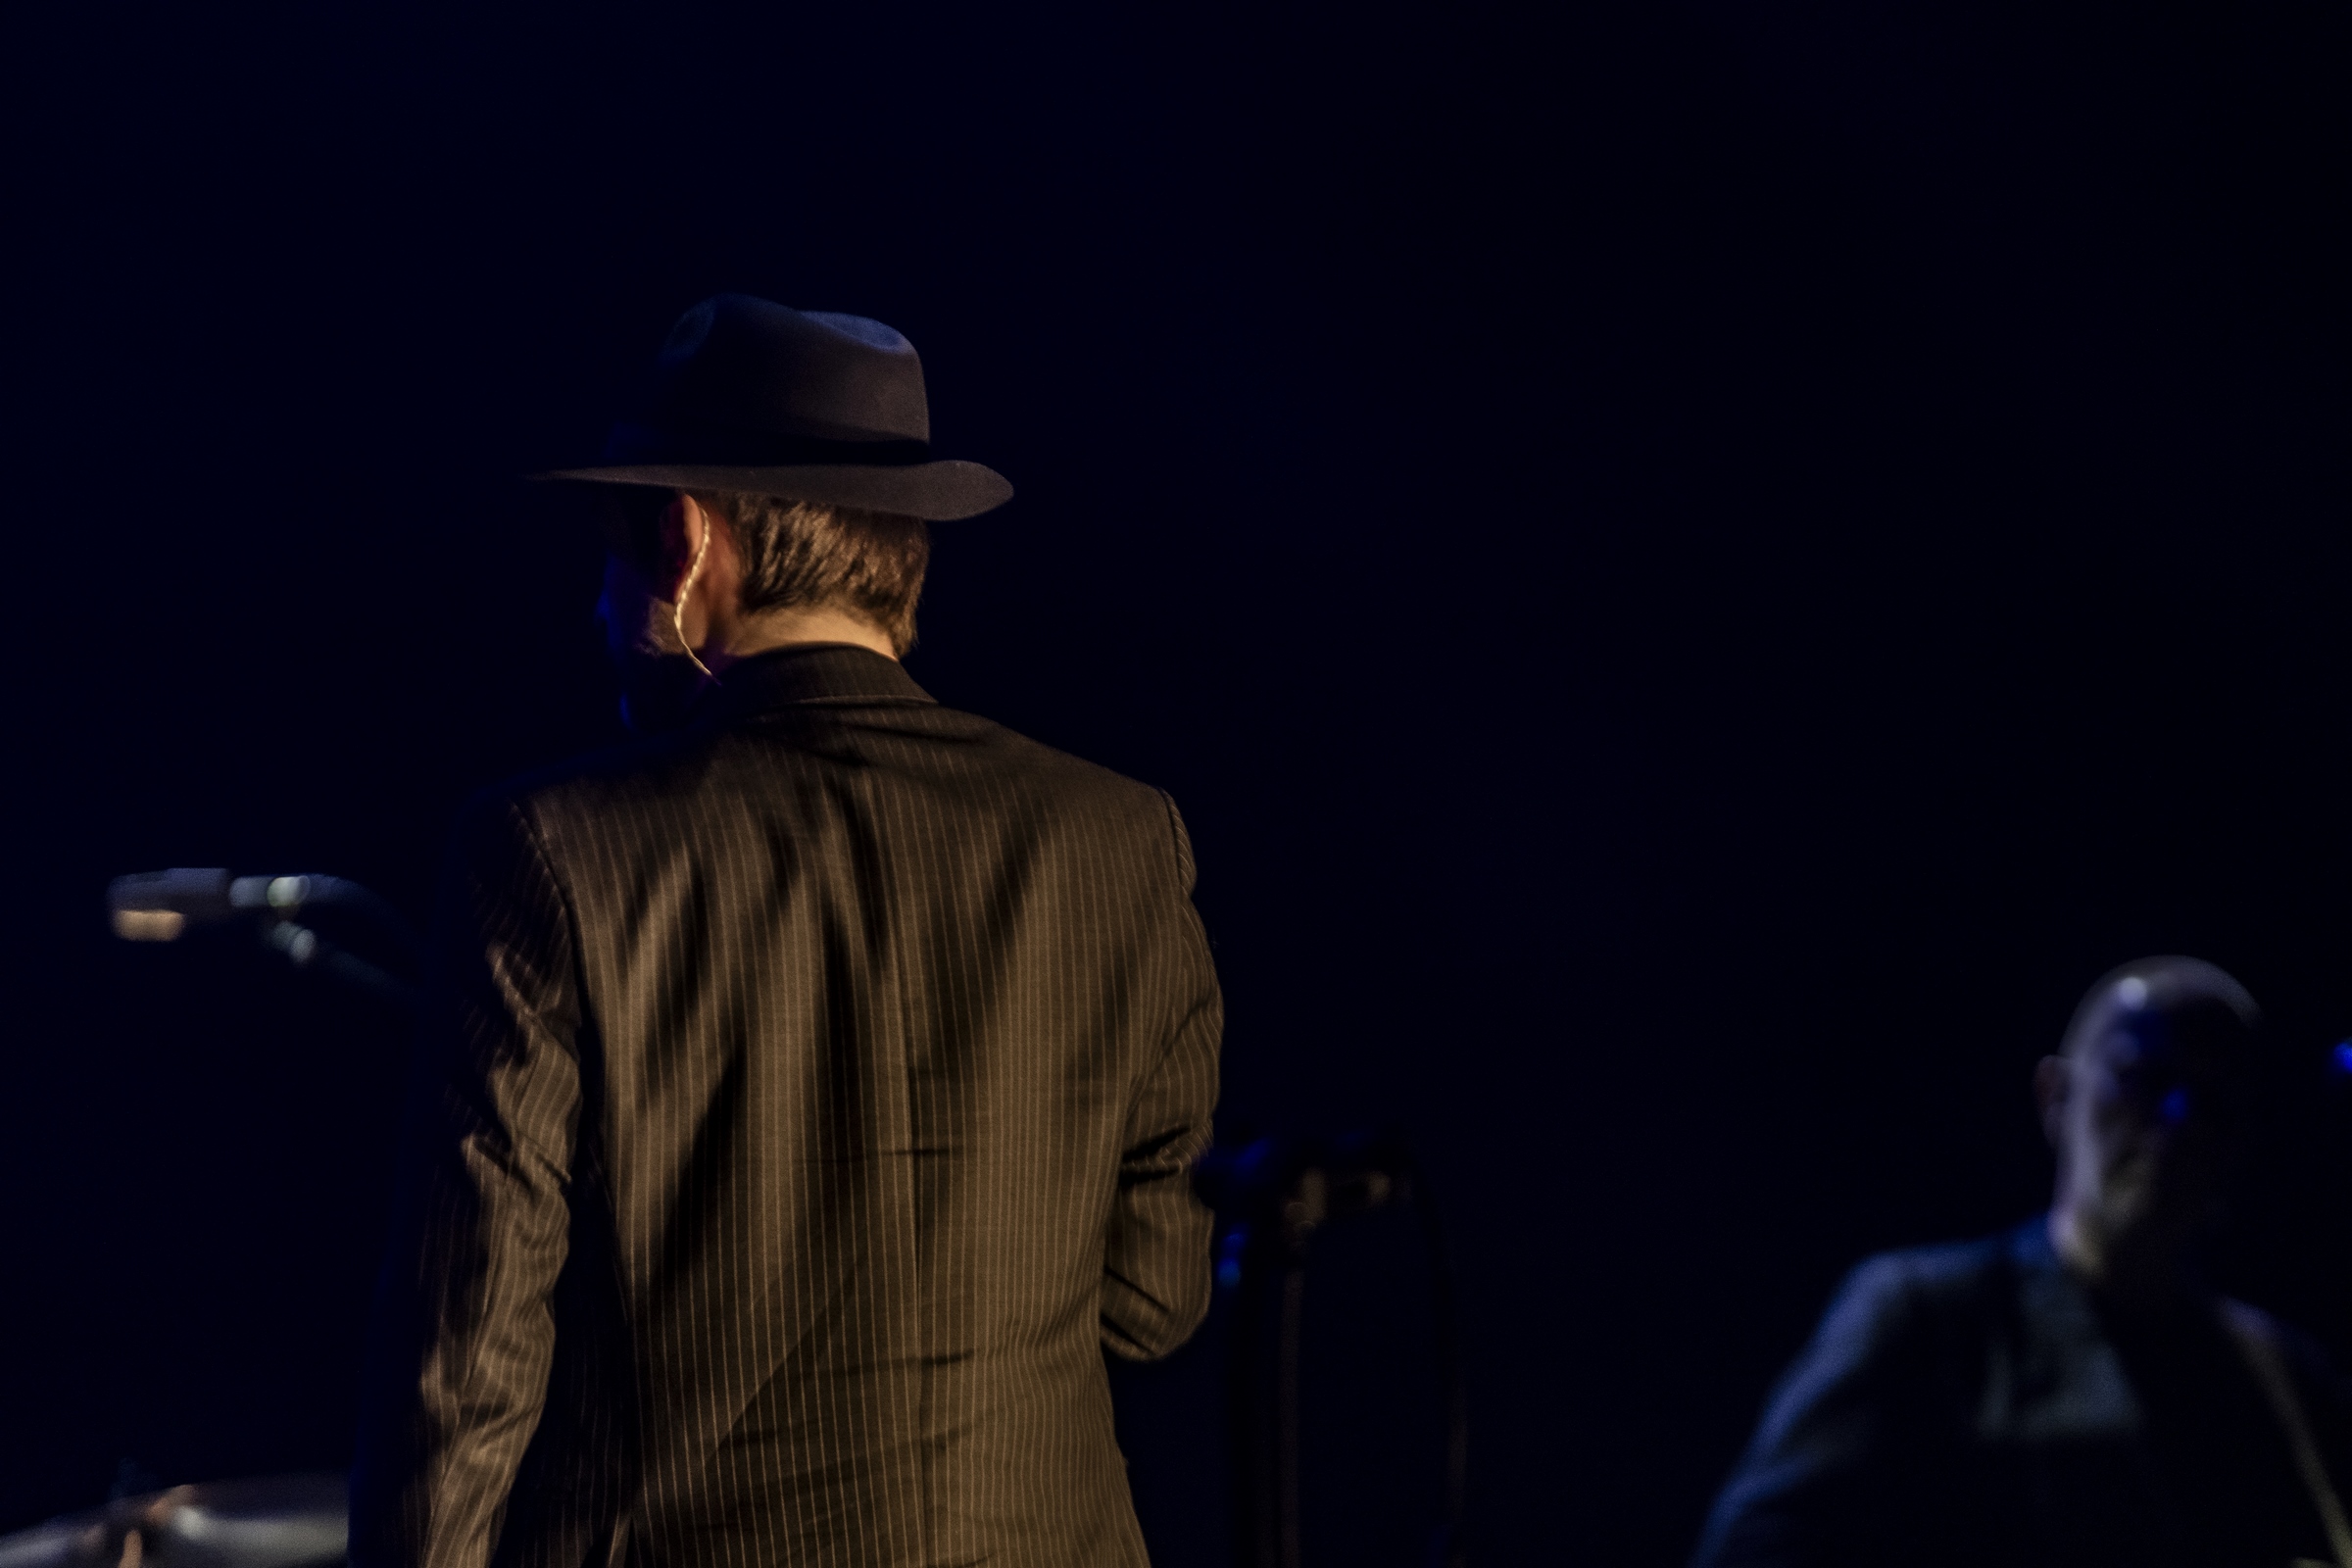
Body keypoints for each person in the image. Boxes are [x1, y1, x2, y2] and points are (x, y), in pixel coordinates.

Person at [352, 295, 1223, 1568]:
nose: (598, 606)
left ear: (685, 540)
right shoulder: (1122, 841)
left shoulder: (547, 856)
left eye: (611, 554)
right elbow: (1155, 1299)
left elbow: (462, 1370)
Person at [1693, 956, 2352, 1568]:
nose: (2179, 1120)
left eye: (2216, 1101)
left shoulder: (2286, 1379)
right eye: (2145, 1078)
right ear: (2056, 1097)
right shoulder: (1925, 1322)